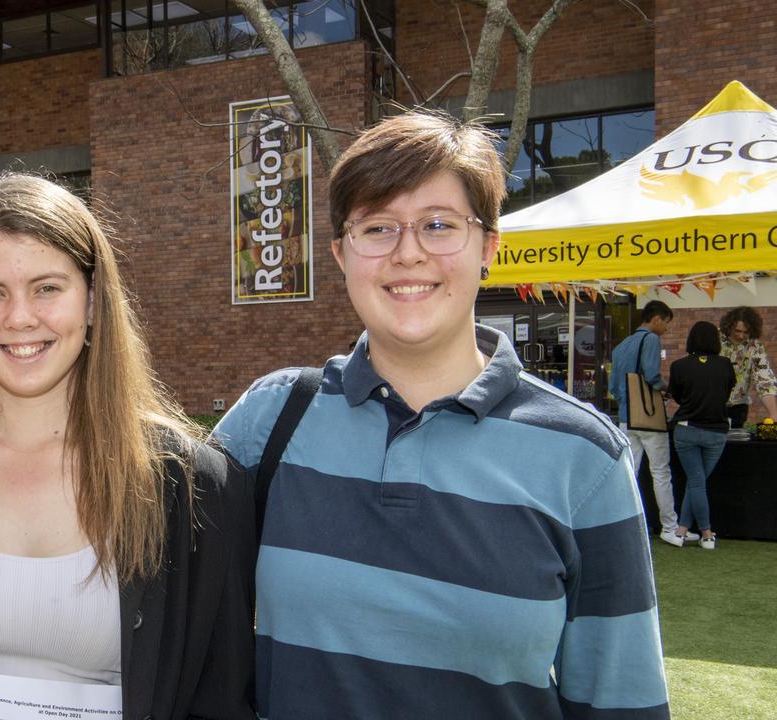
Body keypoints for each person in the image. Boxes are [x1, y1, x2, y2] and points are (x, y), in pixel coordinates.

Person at [213, 110, 669, 719]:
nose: (409, 254)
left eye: (438, 225)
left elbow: (622, 699)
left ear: (488, 248)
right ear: (341, 255)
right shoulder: (269, 421)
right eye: (377, 228)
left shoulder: (584, 457)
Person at [0, 173, 255, 719]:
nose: (20, 317)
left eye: (47, 288)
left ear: (92, 300)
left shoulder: (192, 486)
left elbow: (220, 698)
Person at [610, 300, 687, 546]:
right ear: (656, 319)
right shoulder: (651, 340)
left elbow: (613, 387)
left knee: (629, 474)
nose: (666, 329)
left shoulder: (621, 345)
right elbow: (652, 374)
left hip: (626, 417)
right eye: (666, 323)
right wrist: (667, 390)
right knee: (660, 472)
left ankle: (623, 524)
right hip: (649, 418)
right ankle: (669, 527)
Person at [668, 321, 735, 550]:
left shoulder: (679, 366)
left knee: (695, 482)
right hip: (716, 432)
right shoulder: (725, 365)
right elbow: (726, 393)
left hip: (686, 429)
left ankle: (682, 530)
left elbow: (676, 396)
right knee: (698, 482)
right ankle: (706, 533)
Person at [719, 306, 777, 427]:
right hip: (711, 406)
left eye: (746, 332)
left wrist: (774, 414)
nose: (741, 336)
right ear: (729, 327)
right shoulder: (715, 339)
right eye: (737, 331)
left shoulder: (755, 346)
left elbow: (764, 379)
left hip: (738, 408)